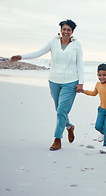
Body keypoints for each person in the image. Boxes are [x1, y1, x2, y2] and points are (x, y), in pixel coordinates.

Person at [10, 19, 84, 151]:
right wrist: (21, 57)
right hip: (54, 80)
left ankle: (57, 139)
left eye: (69, 30)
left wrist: (81, 83)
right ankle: (69, 127)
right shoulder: (53, 42)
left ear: (72, 32)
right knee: (59, 109)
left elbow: (80, 65)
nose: (66, 32)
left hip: (70, 81)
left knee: (62, 110)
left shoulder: (77, 45)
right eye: (64, 29)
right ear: (61, 30)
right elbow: (38, 52)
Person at [79, 63, 106, 154]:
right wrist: (83, 91)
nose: (102, 77)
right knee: (98, 126)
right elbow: (94, 93)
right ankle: (103, 133)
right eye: (100, 75)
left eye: (104, 75)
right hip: (102, 109)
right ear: (97, 75)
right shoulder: (98, 84)